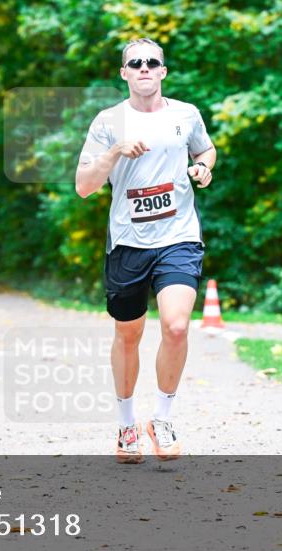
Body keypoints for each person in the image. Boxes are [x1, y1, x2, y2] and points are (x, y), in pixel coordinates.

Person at [75, 37, 217, 463]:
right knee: (128, 333)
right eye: (134, 63)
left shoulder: (186, 115)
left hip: (178, 236)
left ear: (162, 72)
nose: (143, 68)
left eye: (151, 62)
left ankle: (163, 417)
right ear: (124, 73)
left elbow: (205, 149)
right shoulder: (107, 122)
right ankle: (125, 425)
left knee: (175, 326)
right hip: (128, 242)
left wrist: (203, 168)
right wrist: (116, 152)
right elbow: (84, 186)